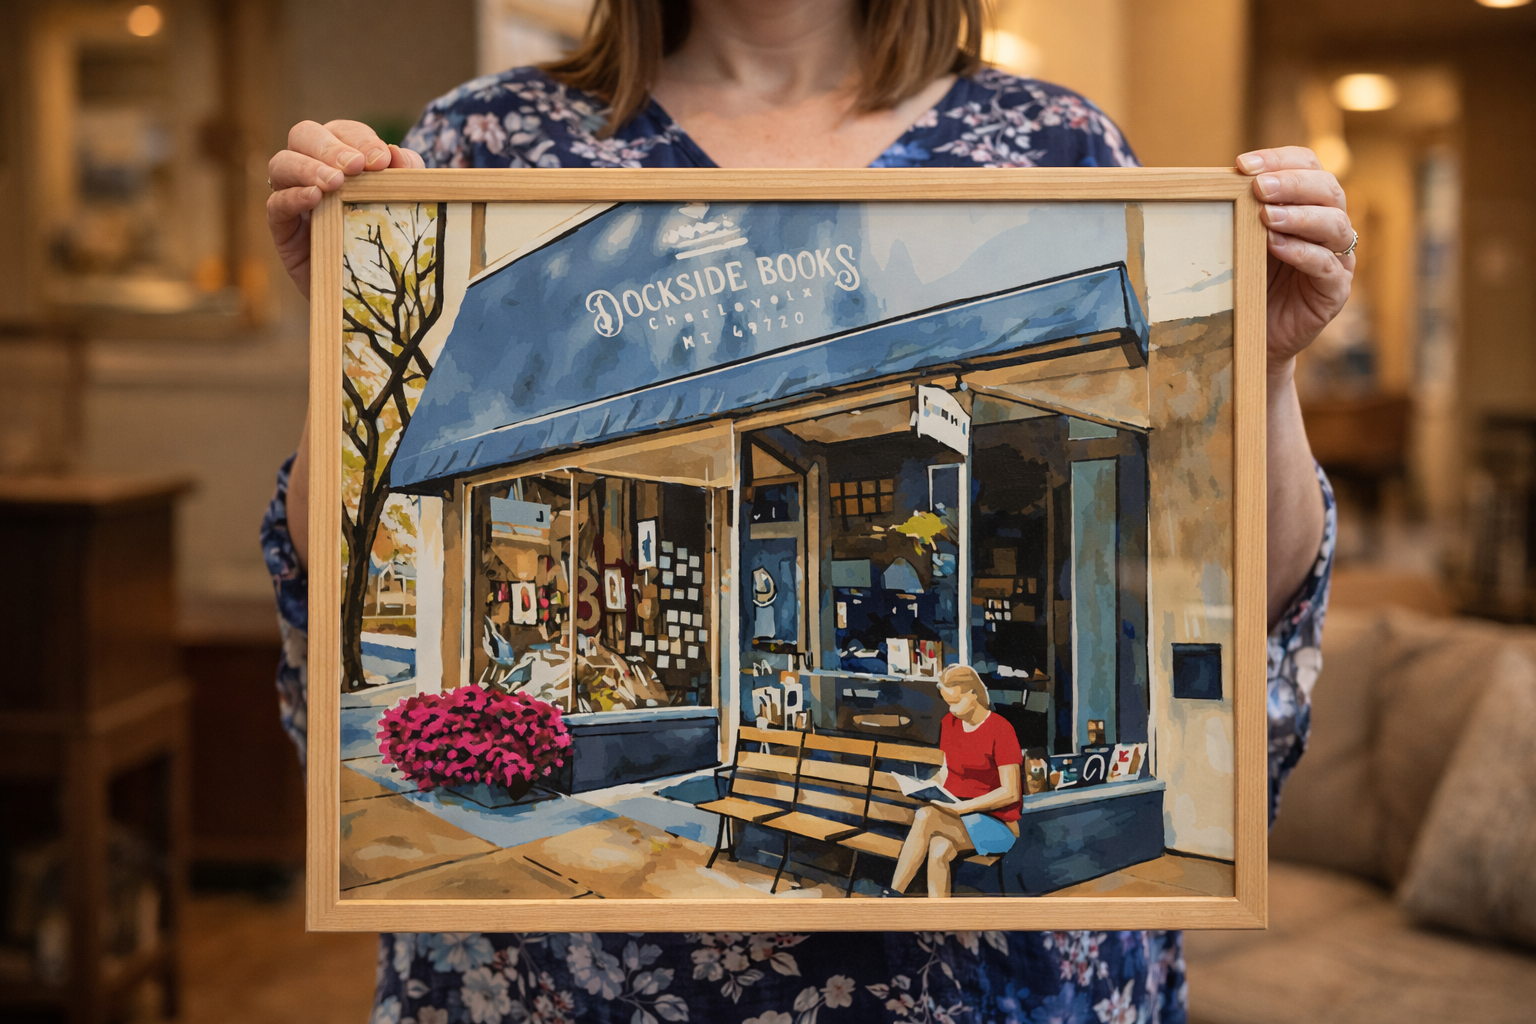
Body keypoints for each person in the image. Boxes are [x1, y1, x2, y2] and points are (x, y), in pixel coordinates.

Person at [261, 1, 1342, 1020]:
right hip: (567, 985)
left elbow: (1265, 615)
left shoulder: (1054, 142)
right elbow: (320, 616)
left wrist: (1273, 367)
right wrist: (330, 333)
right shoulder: (485, 140)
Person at [888, 665, 1023, 898]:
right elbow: (947, 770)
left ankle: (892, 895)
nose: (952, 709)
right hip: (959, 817)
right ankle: (939, 918)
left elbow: (1011, 792)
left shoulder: (1001, 729)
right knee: (939, 849)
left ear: (973, 693)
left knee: (925, 816)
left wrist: (964, 807)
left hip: (997, 824)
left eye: (956, 701)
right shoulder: (949, 724)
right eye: (948, 703)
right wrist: (927, 787)